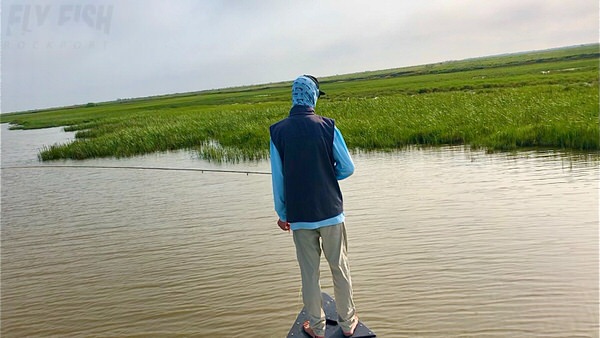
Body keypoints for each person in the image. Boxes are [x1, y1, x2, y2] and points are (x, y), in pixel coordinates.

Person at [269, 75, 358, 338]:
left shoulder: (278, 131)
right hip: (331, 213)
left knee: (309, 275)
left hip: (300, 218)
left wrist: (283, 214)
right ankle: (348, 323)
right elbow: (348, 168)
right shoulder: (328, 126)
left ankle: (317, 328)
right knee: (340, 268)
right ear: (312, 96)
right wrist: (328, 174)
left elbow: (279, 180)